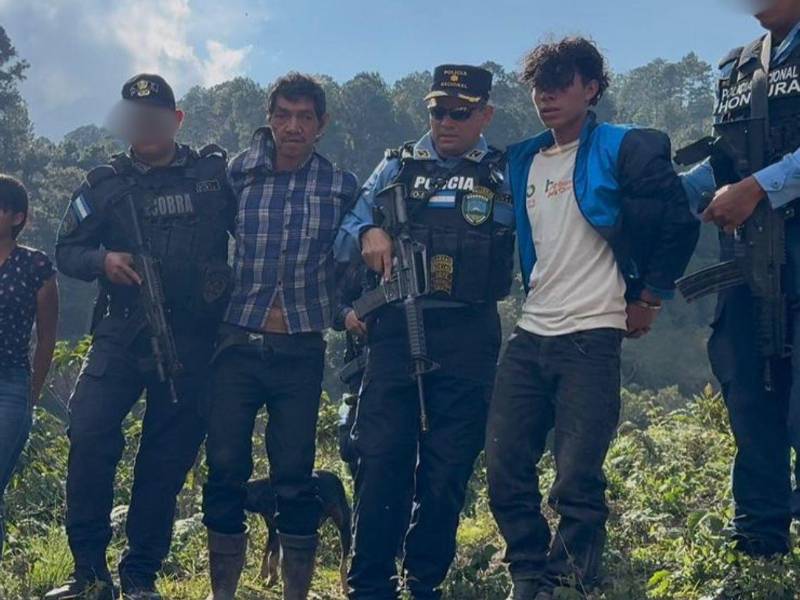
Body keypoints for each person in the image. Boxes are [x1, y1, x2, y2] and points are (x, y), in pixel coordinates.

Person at [485, 38, 699, 600]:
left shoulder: (622, 148)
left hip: (592, 334)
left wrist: (649, 297)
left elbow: (679, 220)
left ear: (591, 88)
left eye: (561, 82)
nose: (546, 95)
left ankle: (569, 582)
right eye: (538, 85)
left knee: (577, 479)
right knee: (505, 466)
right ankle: (528, 572)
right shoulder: (523, 158)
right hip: (530, 331)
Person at [47, 73, 235, 600]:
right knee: (87, 434)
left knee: (166, 456)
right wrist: (103, 260)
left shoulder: (213, 178)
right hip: (122, 333)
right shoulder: (103, 184)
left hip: (194, 338)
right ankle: (89, 572)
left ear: (177, 121)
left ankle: (141, 573)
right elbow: (67, 251)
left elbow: (258, 235)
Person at [335, 64, 516, 600]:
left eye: (460, 112)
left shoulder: (504, 173)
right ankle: (369, 584)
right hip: (396, 329)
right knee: (381, 458)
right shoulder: (394, 167)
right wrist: (368, 230)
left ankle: (423, 581)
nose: (446, 122)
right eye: (438, 110)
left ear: (485, 114)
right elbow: (346, 231)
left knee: (447, 468)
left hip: (469, 332)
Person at [201, 72, 358, 600]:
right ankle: (222, 592)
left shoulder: (339, 185)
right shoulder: (237, 175)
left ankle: (295, 593)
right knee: (225, 467)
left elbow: (353, 253)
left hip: (300, 346)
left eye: (305, 118)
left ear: (322, 124)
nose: (293, 127)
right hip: (237, 340)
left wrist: (348, 310)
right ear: (270, 118)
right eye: (284, 115)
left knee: (293, 474)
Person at [680, 0, 800, 564]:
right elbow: (726, 161)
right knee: (750, 403)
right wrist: (664, 189)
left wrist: (758, 187)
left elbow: (747, 179)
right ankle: (760, 554)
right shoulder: (738, 66)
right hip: (750, 265)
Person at [0, 174, 58, 559]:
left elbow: (47, 337)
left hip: (10, 383)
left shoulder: (35, 265)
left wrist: (33, 391)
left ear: (16, 218)